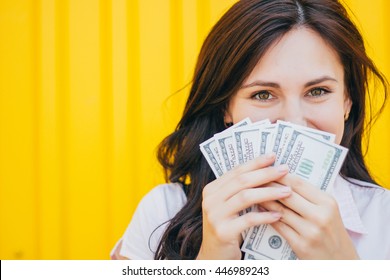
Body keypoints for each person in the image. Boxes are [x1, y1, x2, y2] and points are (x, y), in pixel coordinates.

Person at [111, 0, 390, 260]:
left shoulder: (384, 218)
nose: (293, 122)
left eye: (318, 91)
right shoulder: (162, 213)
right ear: (226, 108)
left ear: (347, 100)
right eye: (263, 94)